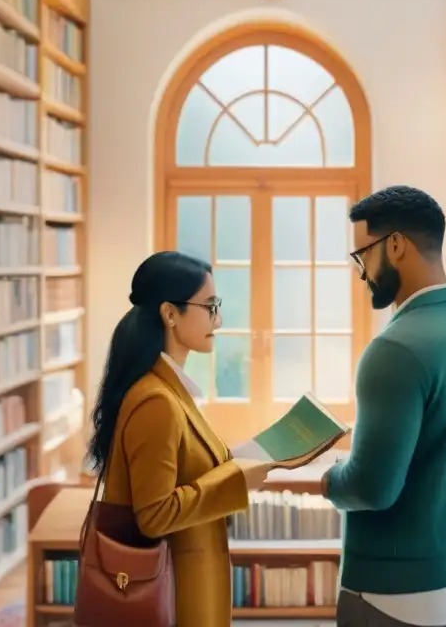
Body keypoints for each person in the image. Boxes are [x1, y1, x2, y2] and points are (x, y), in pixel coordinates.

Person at [319, 186, 446, 627]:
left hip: (397, 593)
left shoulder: (393, 349)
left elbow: (372, 489)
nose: (361, 273)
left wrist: (328, 478)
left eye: (362, 257)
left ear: (395, 245)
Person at [87, 250, 273, 627]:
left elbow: (183, 469)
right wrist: (236, 479)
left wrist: (235, 461)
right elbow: (154, 515)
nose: (217, 321)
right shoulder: (156, 400)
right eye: (209, 307)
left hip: (187, 581)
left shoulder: (169, 388)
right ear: (170, 314)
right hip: (172, 592)